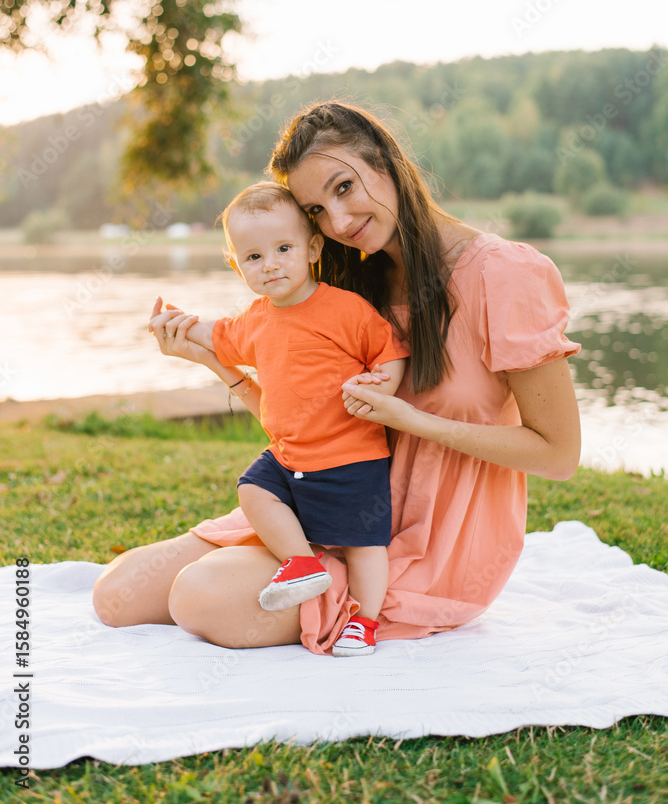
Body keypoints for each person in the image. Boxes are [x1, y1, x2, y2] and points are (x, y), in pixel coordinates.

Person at [93, 101, 581, 659]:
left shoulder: (507, 274)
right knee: (117, 594)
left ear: (387, 161)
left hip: (425, 541)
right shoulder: (348, 283)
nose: (341, 222)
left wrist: (412, 420)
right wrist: (214, 362)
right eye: (317, 211)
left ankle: (346, 601)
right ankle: (295, 562)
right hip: (321, 496)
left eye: (345, 187)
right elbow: (306, 422)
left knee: (201, 595)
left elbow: (558, 455)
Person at [148, 181, 408, 656]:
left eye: (283, 249)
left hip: (350, 456)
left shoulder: (345, 309)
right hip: (289, 458)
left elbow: (388, 350)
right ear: (237, 266)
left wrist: (383, 387)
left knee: (365, 544)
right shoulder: (254, 320)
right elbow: (216, 335)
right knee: (252, 488)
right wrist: (176, 323)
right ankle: (302, 563)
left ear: (312, 249)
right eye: (253, 257)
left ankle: (365, 621)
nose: (269, 264)